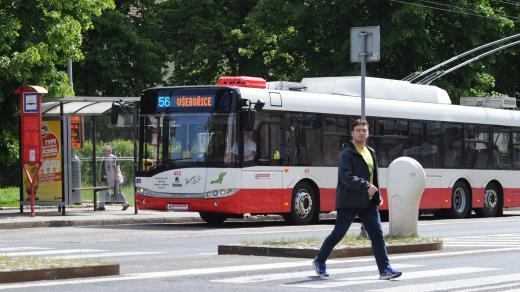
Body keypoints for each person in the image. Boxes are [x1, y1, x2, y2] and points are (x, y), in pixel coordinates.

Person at [312, 119, 402, 280]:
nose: (361, 132)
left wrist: (377, 193)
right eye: (358, 130)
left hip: (368, 203)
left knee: (377, 235)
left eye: (364, 130)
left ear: (368, 133)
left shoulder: (370, 152)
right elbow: (346, 177)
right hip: (348, 201)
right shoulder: (346, 154)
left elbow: (373, 176)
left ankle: (385, 270)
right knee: (338, 234)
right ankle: (319, 260)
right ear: (352, 133)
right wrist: (365, 185)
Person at [98, 145, 130, 211]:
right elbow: (104, 169)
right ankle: (101, 206)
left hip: (115, 178)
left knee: (117, 192)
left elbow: (117, 168)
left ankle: (125, 204)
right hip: (108, 178)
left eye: (105, 151)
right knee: (102, 190)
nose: (103, 153)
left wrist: (117, 177)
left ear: (109, 151)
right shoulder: (105, 158)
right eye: (103, 151)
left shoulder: (113, 158)